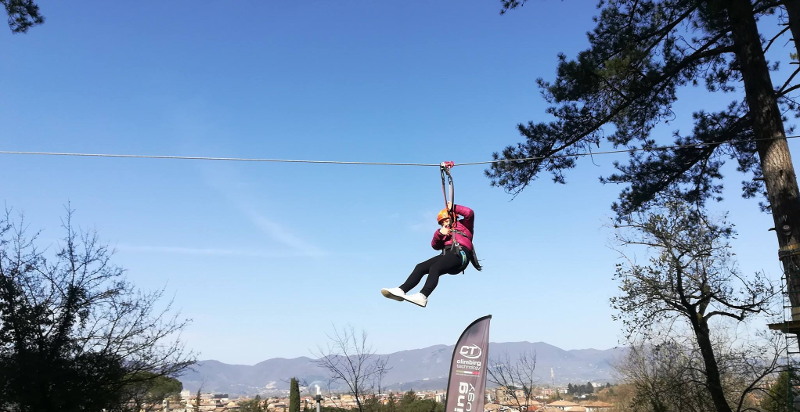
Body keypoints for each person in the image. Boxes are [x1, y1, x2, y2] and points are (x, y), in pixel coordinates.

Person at [381, 202, 481, 307]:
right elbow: (435, 246)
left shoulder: (464, 225)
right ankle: (401, 290)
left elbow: (469, 213)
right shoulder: (444, 232)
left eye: (446, 220)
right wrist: (439, 234)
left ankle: (423, 296)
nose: (444, 224)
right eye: (442, 223)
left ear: (453, 217)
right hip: (447, 254)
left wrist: (454, 207)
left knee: (435, 267)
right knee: (420, 267)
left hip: (460, 254)